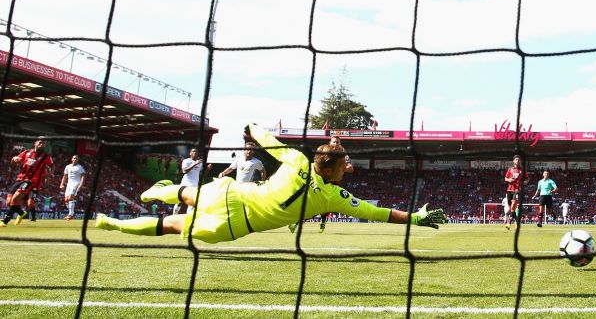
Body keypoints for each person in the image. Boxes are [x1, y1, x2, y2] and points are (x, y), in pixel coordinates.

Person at [95, 124, 445, 242]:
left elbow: (266, 138)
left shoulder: (296, 159)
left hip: (232, 192)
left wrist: (251, 126)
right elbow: (379, 213)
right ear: (337, 171)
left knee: (190, 195)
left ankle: (165, 191)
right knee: (170, 227)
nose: (347, 167)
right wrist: (415, 218)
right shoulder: (335, 197)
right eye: (346, 164)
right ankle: (111, 223)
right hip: (234, 224)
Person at [289, 135, 354, 234]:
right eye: (334, 142)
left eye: (338, 142)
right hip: (318, 180)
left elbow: (350, 168)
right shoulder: (324, 151)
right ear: (330, 143)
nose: (336, 144)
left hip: (331, 183)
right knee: (309, 201)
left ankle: (321, 222)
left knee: (322, 205)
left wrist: (343, 168)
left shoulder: (343, 155)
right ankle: (297, 222)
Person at [1, 138, 53, 227]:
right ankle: (21, 213)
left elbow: (52, 166)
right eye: (40, 143)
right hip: (19, 179)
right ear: (35, 143)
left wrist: (49, 174)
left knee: (16, 199)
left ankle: (5, 220)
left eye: (43, 144)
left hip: (31, 181)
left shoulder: (46, 156)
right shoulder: (26, 152)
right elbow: (14, 162)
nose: (42, 145)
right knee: (9, 202)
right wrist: (14, 159)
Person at [172, 148, 212, 215]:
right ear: (190, 153)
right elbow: (184, 171)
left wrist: (207, 169)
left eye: (196, 152)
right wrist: (195, 164)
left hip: (194, 186)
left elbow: (203, 175)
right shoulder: (186, 161)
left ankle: (189, 221)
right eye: (193, 151)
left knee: (191, 204)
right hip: (185, 185)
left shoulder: (200, 163)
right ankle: (173, 216)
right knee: (179, 202)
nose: (195, 153)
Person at [504, 154, 528, 230]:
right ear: (513, 161)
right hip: (509, 190)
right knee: (511, 208)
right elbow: (505, 178)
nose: (517, 161)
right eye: (516, 159)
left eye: (518, 160)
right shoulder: (510, 169)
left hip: (517, 189)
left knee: (514, 204)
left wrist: (525, 182)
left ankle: (509, 222)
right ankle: (517, 222)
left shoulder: (522, 170)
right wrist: (509, 180)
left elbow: (527, 179)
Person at [59, 154, 86, 221]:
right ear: (71, 159)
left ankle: (70, 215)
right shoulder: (67, 167)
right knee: (66, 200)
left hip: (76, 183)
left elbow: (83, 176)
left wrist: (80, 185)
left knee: (71, 197)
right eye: (74, 158)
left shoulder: (80, 167)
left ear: (78, 160)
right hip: (69, 184)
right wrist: (61, 184)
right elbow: (64, 176)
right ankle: (71, 212)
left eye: (76, 158)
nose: (75, 159)